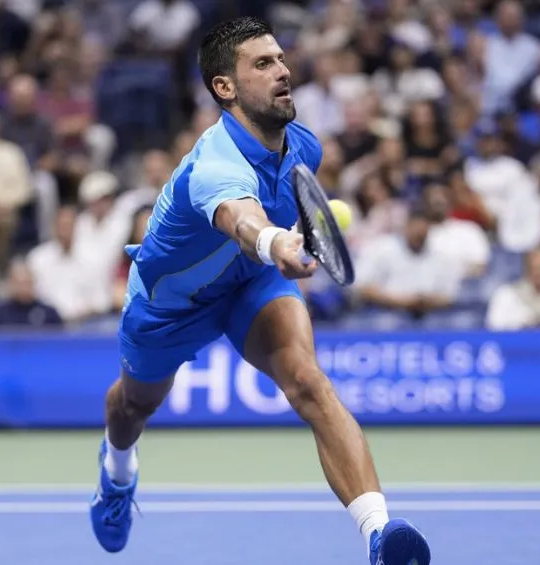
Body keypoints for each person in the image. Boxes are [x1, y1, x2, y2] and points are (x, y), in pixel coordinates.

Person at [89, 17, 431, 565]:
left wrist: (284, 247)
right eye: (263, 64)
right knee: (132, 406)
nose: (284, 71)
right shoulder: (213, 165)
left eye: (281, 59)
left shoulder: (304, 148)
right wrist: (276, 244)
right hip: (170, 306)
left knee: (309, 383)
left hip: (252, 282)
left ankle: (379, 534)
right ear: (225, 87)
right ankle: (117, 475)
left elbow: (283, 207)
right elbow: (240, 218)